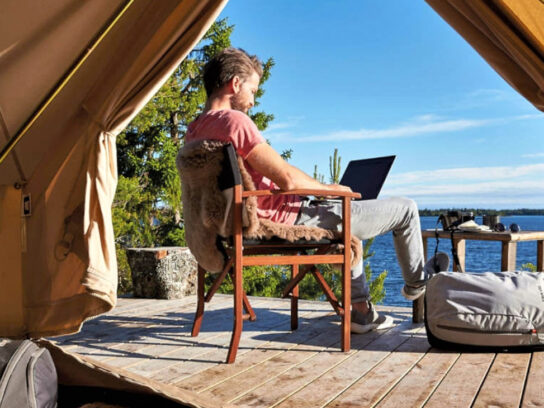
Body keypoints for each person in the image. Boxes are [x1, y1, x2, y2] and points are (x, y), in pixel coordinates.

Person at [185, 47, 440, 334]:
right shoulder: (234, 122)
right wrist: (329, 189)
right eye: (253, 91)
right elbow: (286, 180)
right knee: (406, 209)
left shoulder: (194, 131)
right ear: (235, 84)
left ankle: (362, 312)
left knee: (346, 231)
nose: (253, 101)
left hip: (229, 226)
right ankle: (417, 283)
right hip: (285, 220)